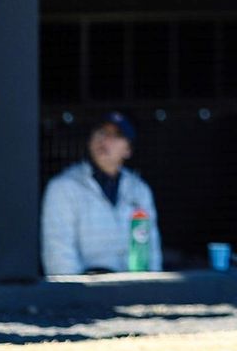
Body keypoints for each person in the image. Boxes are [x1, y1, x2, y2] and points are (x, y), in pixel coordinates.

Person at [40, 111, 162, 275]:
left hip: (133, 290)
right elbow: (58, 253)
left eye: (117, 135)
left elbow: (151, 250)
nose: (105, 140)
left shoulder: (140, 190)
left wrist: (151, 291)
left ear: (128, 150)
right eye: (101, 132)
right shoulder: (63, 187)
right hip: (87, 291)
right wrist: (73, 295)